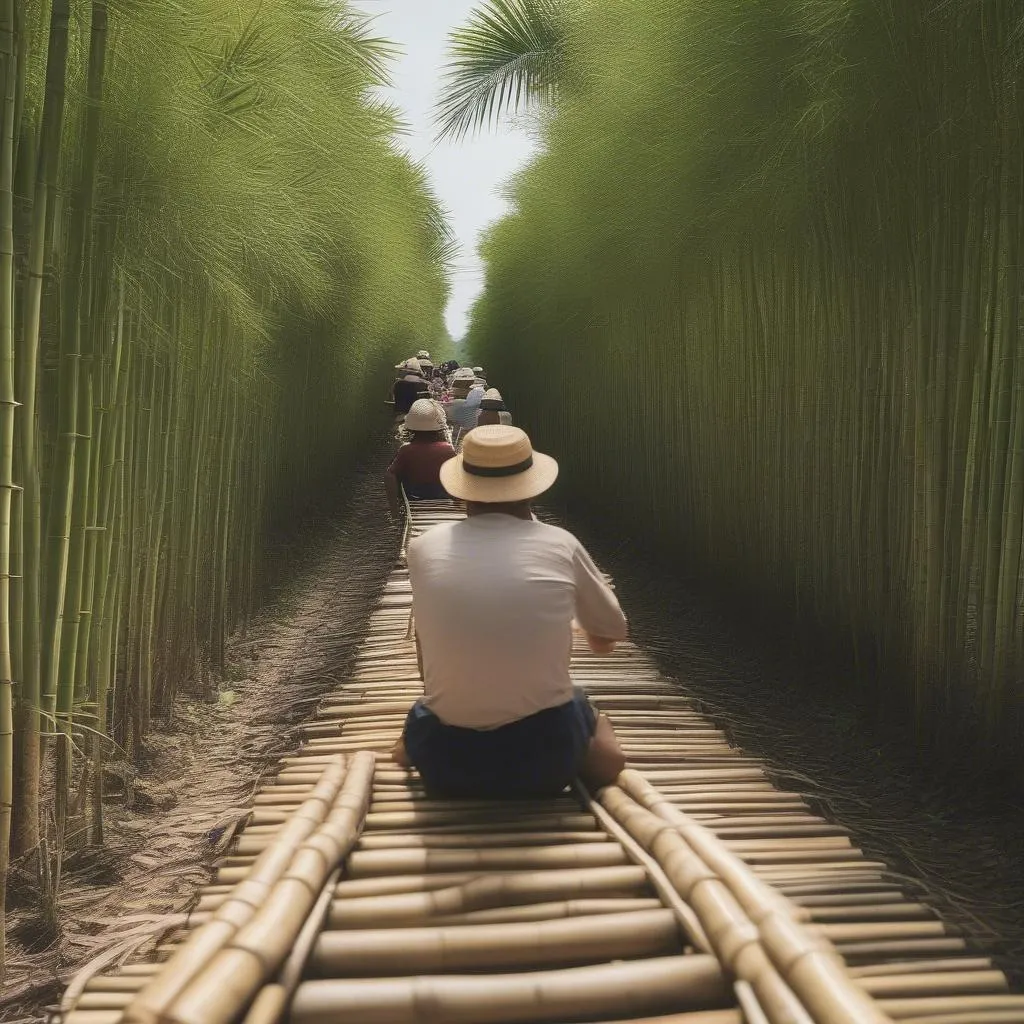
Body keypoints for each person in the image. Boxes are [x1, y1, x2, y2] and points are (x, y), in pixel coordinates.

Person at [392, 425, 628, 798]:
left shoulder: (422, 548)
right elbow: (608, 636)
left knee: (429, 709)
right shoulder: (560, 544)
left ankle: (413, 741)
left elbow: (430, 644)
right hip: (547, 762)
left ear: (461, 491)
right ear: (533, 487)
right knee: (590, 715)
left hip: (445, 764)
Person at [385, 400, 456, 515]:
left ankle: (400, 508)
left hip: (414, 497)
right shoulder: (448, 449)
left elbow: (389, 476)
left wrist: (394, 509)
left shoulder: (406, 449)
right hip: (443, 497)